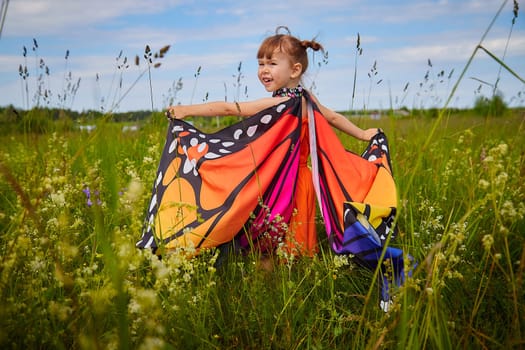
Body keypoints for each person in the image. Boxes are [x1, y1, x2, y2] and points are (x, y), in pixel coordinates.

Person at [163, 26, 379, 257]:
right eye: (260, 64)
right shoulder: (307, 100)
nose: (264, 70)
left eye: (272, 64)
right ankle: (283, 272)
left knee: (270, 232)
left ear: (295, 70)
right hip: (298, 179)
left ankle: (270, 275)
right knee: (290, 235)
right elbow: (334, 117)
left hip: (282, 181)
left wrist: (187, 110)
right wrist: (362, 134)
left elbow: (229, 108)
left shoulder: (279, 104)